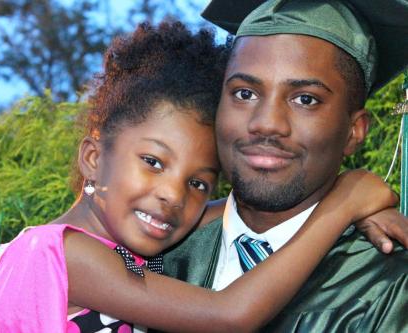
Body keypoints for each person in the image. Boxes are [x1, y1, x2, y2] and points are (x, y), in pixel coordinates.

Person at [0, 21, 401, 333]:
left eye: (198, 183)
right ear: (92, 157)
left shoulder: (132, 241)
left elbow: (220, 215)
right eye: (153, 162)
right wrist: (343, 200)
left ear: (354, 130)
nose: (172, 196)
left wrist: (349, 209)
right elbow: (228, 315)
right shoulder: (57, 253)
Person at [162, 0, 408, 332]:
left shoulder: (389, 285)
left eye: (305, 99)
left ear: (354, 131)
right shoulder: (150, 253)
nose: (266, 123)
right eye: (245, 93)